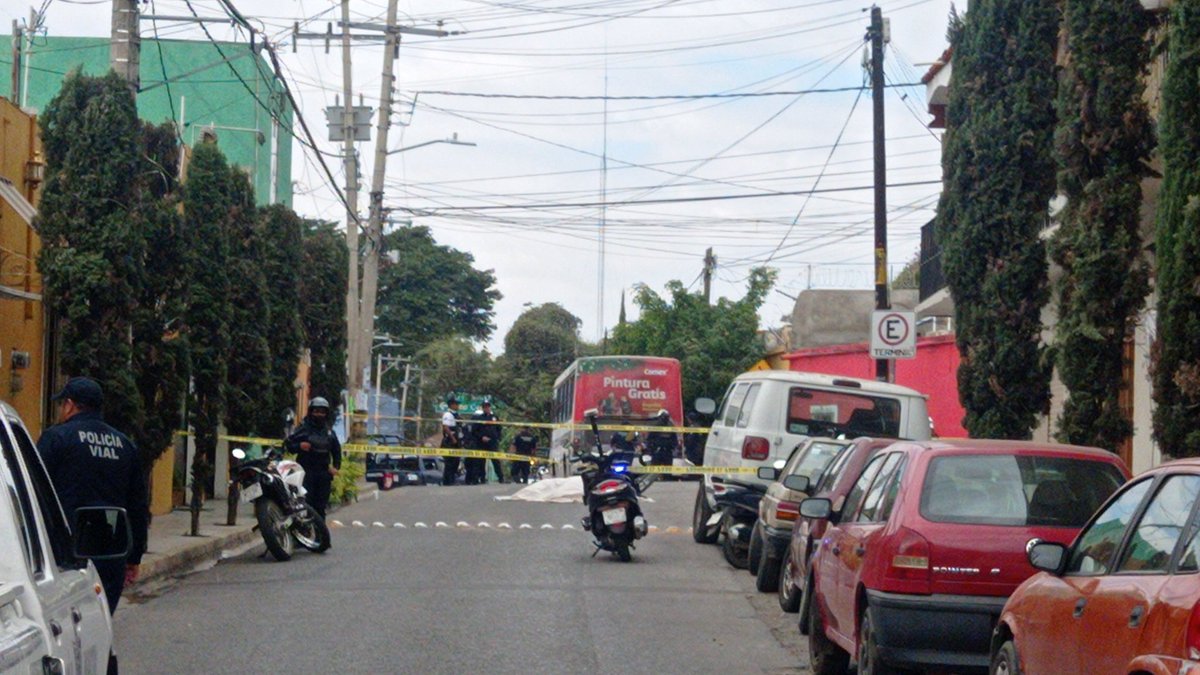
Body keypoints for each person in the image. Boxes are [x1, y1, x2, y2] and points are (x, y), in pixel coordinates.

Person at [36, 376, 148, 614]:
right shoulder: (124, 445)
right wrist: (134, 556)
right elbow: (138, 506)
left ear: (69, 405)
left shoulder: (57, 438)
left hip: (64, 553)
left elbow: (35, 494)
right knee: (100, 626)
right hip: (110, 553)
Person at [283, 397, 342, 518]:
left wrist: (335, 467)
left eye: (322, 412)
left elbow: (337, 451)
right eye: (316, 411)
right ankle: (304, 531)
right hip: (305, 473)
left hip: (323, 473)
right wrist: (300, 446)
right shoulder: (303, 429)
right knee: (306, 505)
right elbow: (289, 445)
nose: (319, 414)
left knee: (320, 506)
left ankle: (320, 534)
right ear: (311, 412)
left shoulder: (329, 432)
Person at [472, 400, 503, 483]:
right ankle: (482, 478)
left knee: (495, 460)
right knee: (481, 461)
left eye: (488, 406)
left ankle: (501, 478)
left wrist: (498, 438)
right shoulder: (480, 418)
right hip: (482, 442)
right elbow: (474, 431)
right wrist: (481, 437)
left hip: (492, 442)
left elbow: (499, 429)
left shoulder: (495, 417)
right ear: (483, 408)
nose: (487, 408)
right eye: (485, 407)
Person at [440, 397, 463, 485]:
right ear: (452, 405)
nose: (458, 406)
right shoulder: (448, 414)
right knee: (449, 463)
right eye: (456, 404)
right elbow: (445, 427)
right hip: (449, 443)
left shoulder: (457, 415)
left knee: (455, 462)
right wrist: (453, 439)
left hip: (456, 443)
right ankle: (448, 482)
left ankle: (451, 481)